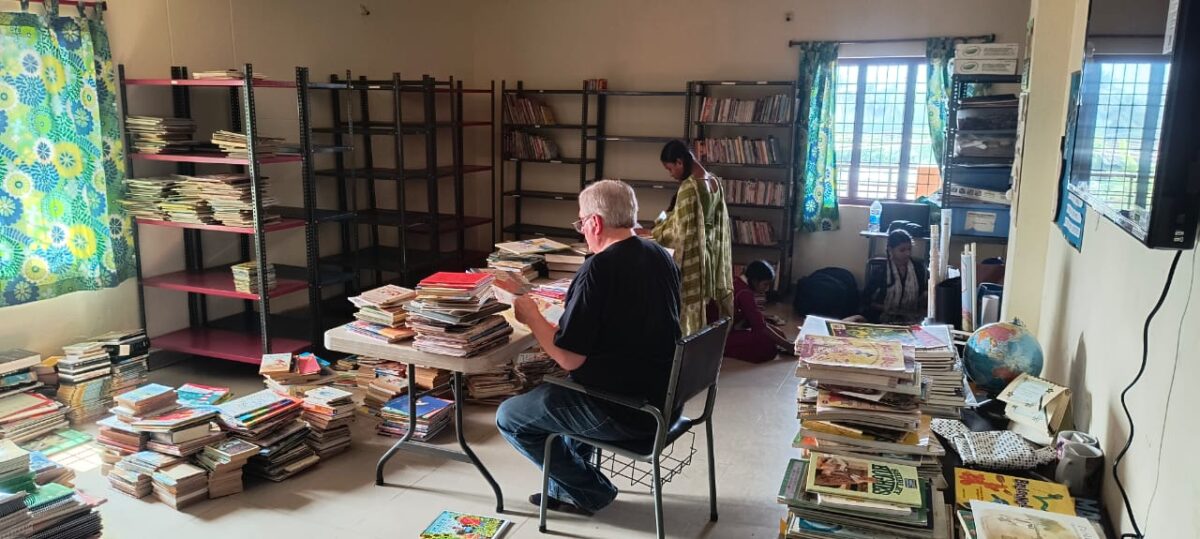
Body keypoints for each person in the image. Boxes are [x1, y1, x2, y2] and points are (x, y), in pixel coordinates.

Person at [498, 180, 682, 516]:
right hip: (666, 399)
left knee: (510, 416)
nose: (582, 230)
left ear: (595, 223)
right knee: (569, 391)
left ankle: (589, 490)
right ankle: (566, 489)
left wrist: (533, 317)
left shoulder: (599, 268)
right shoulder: (658, 254)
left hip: (627, 411)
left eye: (581, 222)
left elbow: (569, 357)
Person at [651, 139, 733, 337]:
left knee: (687, 305)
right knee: (703, 302)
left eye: (670, 169)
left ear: (680, 162)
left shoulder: (690, 187)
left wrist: (656, 231)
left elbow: (678, 231)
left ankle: (686, 346)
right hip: (710, 252)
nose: (671, 175)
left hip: (694, 254)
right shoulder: (714, 181)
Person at [725, 260, 792, 363]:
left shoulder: (739, 282)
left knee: (779, 333)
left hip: (731, 328)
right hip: (722, 337)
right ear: (755, 281)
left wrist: (784, 341)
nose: (767, 289)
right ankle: (725, 350)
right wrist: (788, 346)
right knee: (767, 348)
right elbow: (760, 326)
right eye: (765, 284)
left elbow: (758, 321)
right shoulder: (744, 293)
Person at [862, 229, 927, 324]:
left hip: (911, 317)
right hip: (883, 317)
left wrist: (922, 303)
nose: (907, 253)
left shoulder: (918, 268)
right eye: (902, 250)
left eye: (909, 249)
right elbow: (866, 300)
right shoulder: (881, 270)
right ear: (890, 250)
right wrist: (892, 310)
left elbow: (922, 295)